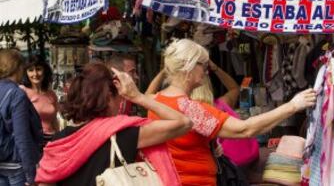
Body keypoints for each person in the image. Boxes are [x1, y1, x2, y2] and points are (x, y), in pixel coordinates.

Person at [147, 38, 316, 186]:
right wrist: (292, 106)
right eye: (203, 65)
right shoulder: (191, 109)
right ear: (188, 66)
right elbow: (245, 129)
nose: (206, 72)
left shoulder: (155, 101)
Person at [36, 62, 192, 186]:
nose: (121, 101)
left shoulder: (59, 140)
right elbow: (184, 123)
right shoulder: (124, 134)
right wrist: (137, 97)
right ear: (109, 96)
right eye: (120, 96)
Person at [0, 49, 43, 186]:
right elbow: (22, 136)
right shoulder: (17, 94)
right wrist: (31, 175)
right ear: (18, 68)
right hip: (16, 165)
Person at [21, 55, 59, 147]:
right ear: (25, 73)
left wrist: (58, 138)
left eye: (38, 69)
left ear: (45, 70)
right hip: (34, 141)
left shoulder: (51, 94)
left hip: (52, 140)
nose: (35, 74)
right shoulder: (22, 91)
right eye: (30, 70)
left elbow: (54, 121)